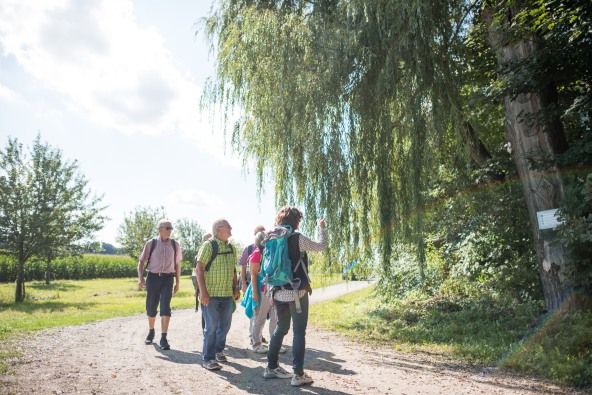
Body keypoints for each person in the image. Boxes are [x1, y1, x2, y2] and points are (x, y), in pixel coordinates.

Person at [263, 206, 327, 387]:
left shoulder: (271, 237)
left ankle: (271, 367)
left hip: (277, 290)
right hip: (297, 291)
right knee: (299, 331)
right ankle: (298, 374)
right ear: (296, 221)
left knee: (280, 329)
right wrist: (322, 228)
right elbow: (321, 246)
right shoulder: (297, 238)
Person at [196, 218, 241, 371]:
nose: (231, 228)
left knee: (225, 326)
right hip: (211, 295)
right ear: (219, 229)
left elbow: (233, 269)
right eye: (228, 226)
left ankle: (218, 350)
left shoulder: (232, 248)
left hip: (227, 295)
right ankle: (208, 358)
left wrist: (236, 287)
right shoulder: (208, 246)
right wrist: (203, 292)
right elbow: (199, 269)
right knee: (211, 327)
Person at [137, 219, 182, 350]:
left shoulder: (175, 244)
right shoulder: (151, 243)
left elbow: (178, 264)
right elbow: (141, 262)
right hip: (153, 278)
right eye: (168, 228)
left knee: (165, 307)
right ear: (160, 229)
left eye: (171, 228)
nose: (170, 231)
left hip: (168, 279)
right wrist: (140, 278)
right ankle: (151, 331)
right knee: (151, 307)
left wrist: (178, 282)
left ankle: (163, 337)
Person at [248, 231, 285, 354]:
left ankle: (274, 343)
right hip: (261, 290)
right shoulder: (257, 254)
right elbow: (253, 275)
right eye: (267, 239)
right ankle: (256, 343)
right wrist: (254, 292)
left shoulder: (271, 252)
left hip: (272, 290)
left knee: (275, 317)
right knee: (260, 317)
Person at [238, 225, 265, 343]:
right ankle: (253, 335)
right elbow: (243, 268)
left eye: (262, 233)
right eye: (258, 233)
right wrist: (243, 283)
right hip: (251, 283)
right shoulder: (249, 249)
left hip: (262, 283)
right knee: (254, 309)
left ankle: (258, 334)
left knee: (261, 311)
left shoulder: (267, 248)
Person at [193, 233, 212, 332]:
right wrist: (196, 289)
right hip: (202, 287)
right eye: (206, 240)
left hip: (215, 287)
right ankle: (206, 334)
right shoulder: (198, 256)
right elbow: (194, 274)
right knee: (205, 312)